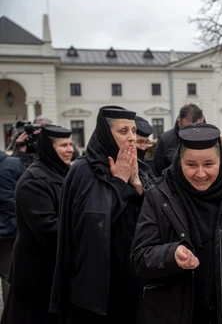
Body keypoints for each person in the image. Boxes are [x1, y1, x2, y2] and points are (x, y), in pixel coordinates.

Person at [131, 123, 222, 324]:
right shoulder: (159, 195)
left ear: (221, 160)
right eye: (191, 165)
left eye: (209, 164)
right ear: (179, 161)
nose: (200, 174)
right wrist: (172, 254)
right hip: (175, 311)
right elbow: (139, 258)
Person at [49, 106, 152, 323]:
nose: (132, 138)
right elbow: (93, 225)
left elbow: (157, 214)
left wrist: (140, 188)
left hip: (133, 279)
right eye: (123, 131)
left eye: (133, 131)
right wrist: (120, 183)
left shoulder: (141, 169)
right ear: (106, 134)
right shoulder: (84, 171)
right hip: (98, 285)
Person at [1, 125, 73, 324]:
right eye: (64, 145)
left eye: (70, 144)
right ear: (50, 149)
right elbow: (48, 230)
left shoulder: (64, 172)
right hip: (35, 274)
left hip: (53, 272)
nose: (70, 149)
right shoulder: (33, 180)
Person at [0, 151, 24, 311]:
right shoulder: (13, 164)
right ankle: (9, 314)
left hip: (9, 230)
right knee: (8, 276)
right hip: (9, 232)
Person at [152, 103, 205, 176]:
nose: (192, 133)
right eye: (188, 129)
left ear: (202, 120)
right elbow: (156, 173)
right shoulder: (165, 140)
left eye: (197, 128)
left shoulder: (212, 139)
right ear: (179, 123)